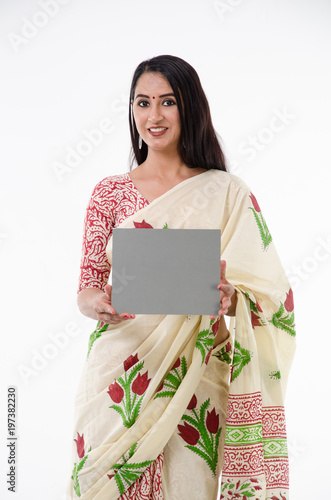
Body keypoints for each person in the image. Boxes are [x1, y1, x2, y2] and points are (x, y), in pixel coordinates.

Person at [67, 55, 296, 500]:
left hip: (199, 372)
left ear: (188, 106)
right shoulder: (109, 192)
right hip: (121, 375)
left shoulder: (225, 192)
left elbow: (271, 294)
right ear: (132, 111)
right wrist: (96, 302)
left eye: (167, 102)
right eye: (142, 103)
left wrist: (232, 299)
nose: (154, 116)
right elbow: (88, 285)